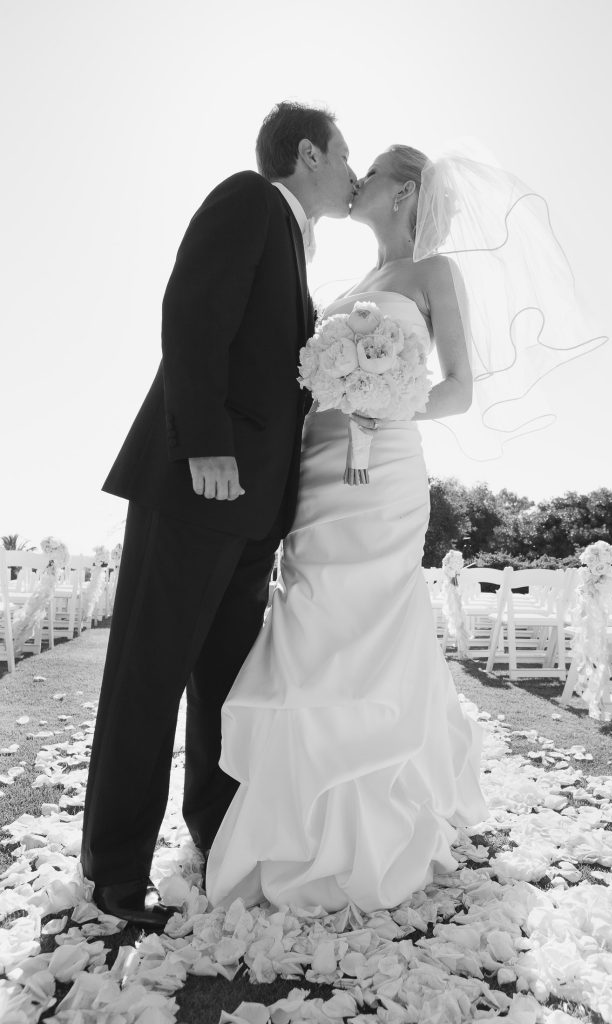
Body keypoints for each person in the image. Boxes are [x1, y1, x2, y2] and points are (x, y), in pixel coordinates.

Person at [80, 102, 357, 929]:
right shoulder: (246, 199)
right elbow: (191, 316)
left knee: (223, 685)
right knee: (148, 675)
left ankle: (217, 838)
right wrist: (204, 443)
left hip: (252, 510)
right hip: (198, 486)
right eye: (345, 157)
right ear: (308, 153)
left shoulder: (293, 239)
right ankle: (115, 873)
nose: (352, 172)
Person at [206, 145, 489, 913]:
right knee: (310, 607)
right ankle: (297, 806)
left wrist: (382, 394)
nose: (354, 178)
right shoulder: (344, 287)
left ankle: (379, 805)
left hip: (386, 466)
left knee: (368, 610)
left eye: (372, 173)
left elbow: (458, 390)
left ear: (404, 192)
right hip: (320, 464)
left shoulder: (435, 274)